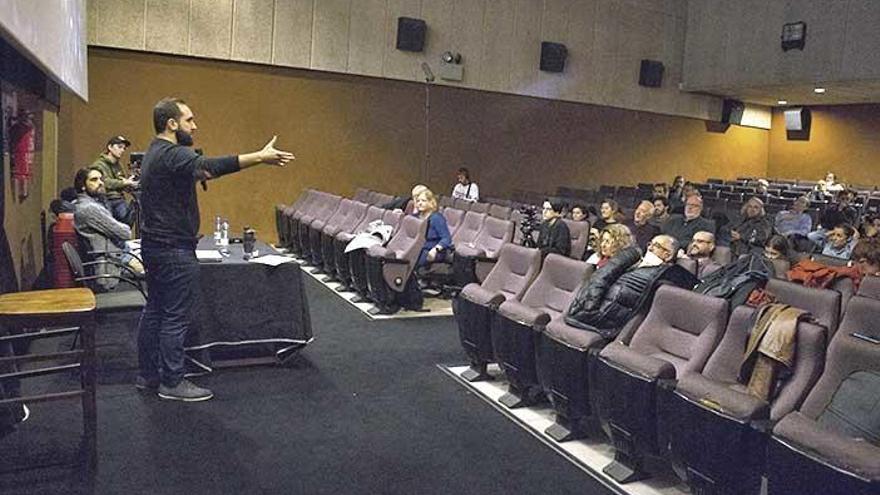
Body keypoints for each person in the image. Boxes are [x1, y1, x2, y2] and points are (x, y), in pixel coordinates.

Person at [136, 97, 294, 402]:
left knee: (155, 310)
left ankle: (148, 375)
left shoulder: (154, 152)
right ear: (172, 124)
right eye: (189, 120)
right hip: (173, 250)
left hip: (155, 246)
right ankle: (172, 381)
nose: (195, 126)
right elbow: (209, 167)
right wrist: (260, 157)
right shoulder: (172, 153)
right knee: (174, 316)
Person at [565, 234, 695, 338]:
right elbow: (601, 277)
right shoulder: (634, 259)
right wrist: (590, 306)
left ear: (668, 255)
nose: (649, 248)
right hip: (589, 308)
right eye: (650, 244)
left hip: (607, 320)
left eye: (656, 246)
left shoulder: (667, 275)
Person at [72, 168, 144, 291]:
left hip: (117, 252)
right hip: (114, 263)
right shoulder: (89, 209)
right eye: (94, 180)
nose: (100, 182)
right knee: (160, 268)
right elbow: (125, 233)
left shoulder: (90, 203)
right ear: (82, 186)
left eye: (101, 179)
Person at [90, 135, 137, 224]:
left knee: (132, 212)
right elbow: (105, 182)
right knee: (124, 219)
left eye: (124, 148)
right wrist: (124, 182)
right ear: (110, 147)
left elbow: (121, 181)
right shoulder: (99, 165)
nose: (122, 150)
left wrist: (130, 184)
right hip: (107, 199)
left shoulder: (118, 165)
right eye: (119, 147)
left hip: (118, 199)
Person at [414, 188, 452, 267]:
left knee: (412, 260)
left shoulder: (436, 218)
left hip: (432, 251)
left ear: (431, 202)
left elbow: (446, 238)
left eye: (423, 201)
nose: (420, 203)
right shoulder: (415, 217)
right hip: (417, 249)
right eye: (418, 201)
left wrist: (435, 250)